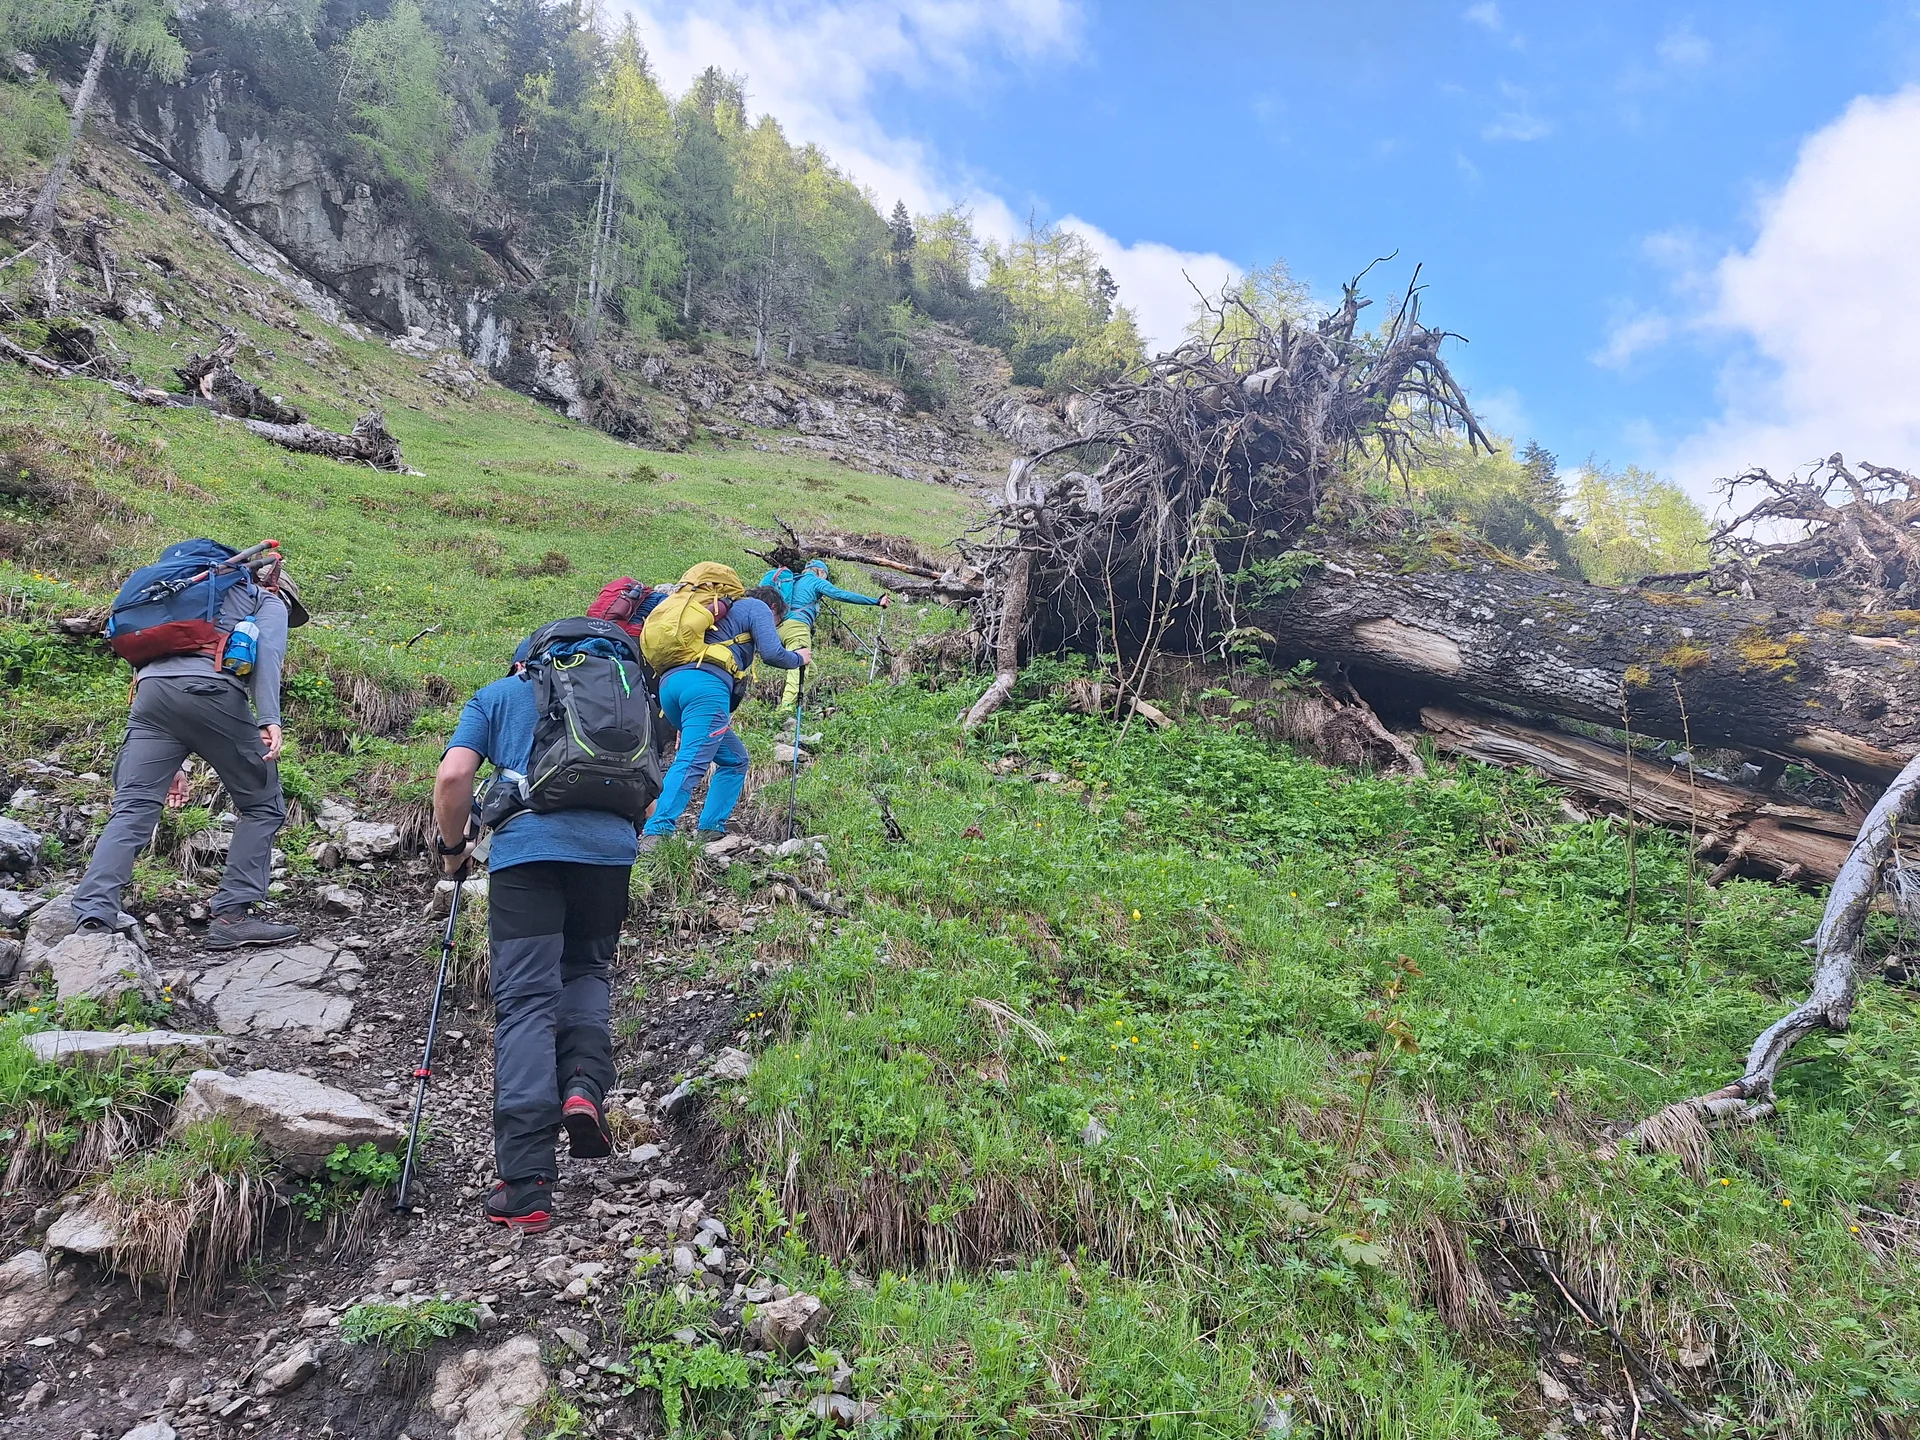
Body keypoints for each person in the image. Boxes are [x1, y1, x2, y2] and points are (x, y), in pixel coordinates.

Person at [434, 628, 637, 1232]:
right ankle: (582, 1087)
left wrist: (453, 849)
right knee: (587, 971)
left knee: (526, 1001)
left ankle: (526, 1183)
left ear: (525, 661)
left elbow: (453, 778)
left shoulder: (499, 696)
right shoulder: (627, 695)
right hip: (610, 855)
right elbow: (646, 793)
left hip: (527, 856)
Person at [73, 554, 306, 951]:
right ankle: (232, 917)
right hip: (212, 691)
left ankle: (93, 917)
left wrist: (176, 760)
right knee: (263, 806)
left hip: (150, 696)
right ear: (277, 587)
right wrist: (269, 718)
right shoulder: (266, 599)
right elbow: (267, 654)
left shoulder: (190, 595)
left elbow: (161, 656)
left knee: (132, 809)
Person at [641, 576, 808, 848]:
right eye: (776, 622)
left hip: (670, 686)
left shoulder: (719, 610)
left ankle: (711, 828)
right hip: (705, 687)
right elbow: (772, 653)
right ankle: (656, 831)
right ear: (774, 608)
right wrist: (799, 658)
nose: (773, 626)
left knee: (735, 759)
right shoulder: (756, 607)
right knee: (692, 760)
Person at [757, 558, 891, 715]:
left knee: (811, 671)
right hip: (797, 628)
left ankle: (792, 706)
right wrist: (876, 601)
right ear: (821, 572)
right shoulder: (815, 581)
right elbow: (841, 594)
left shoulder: (795, 579)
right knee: (799, 668)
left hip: (777, 627)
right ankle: (784, 710)